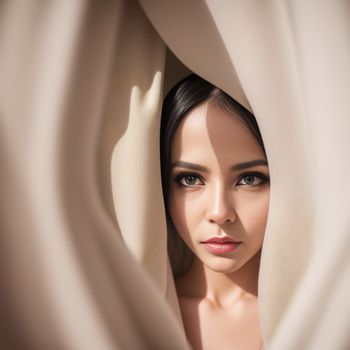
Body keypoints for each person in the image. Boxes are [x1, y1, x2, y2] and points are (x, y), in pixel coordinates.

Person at [160, 74, 269, 350]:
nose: (220, 213)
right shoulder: (133, 312)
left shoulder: (323, 314)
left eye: (249, 179)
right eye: (190, 179)